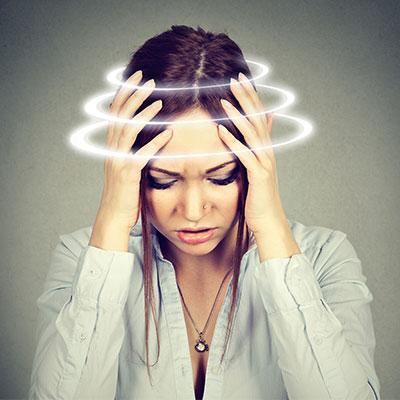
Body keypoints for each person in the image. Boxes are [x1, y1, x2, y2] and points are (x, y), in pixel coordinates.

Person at [28, 25, 380, 400]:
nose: (193, 211)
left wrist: (272, 226)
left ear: (259, 149)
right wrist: (112, 221)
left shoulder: (326, 258)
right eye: (163, 180)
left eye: (221, 176)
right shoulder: (82, 258)